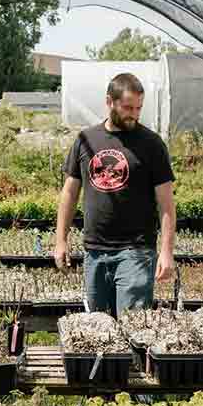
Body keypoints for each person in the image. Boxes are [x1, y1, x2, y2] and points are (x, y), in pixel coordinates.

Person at [54, 72, 176, 316]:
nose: (134, 114)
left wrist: (166, 252)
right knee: (99, 330)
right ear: (110, 102)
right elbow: (69, 193)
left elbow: (166, 204)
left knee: (132, 325)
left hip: (136, 252)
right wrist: (61, 241)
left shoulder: (151, 144)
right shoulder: (86, 140)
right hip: (94, 251)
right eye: (128, 107)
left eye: (138, 108)